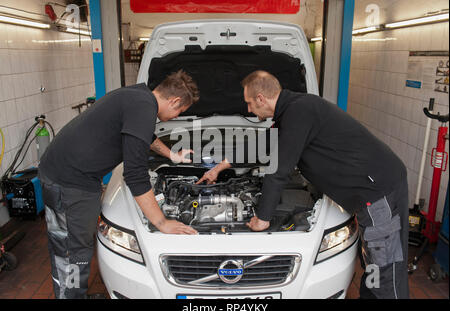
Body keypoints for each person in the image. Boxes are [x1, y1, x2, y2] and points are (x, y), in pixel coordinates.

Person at [197, 70, 409, 299]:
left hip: (377, 193)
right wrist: (220, 167)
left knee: (384, 268)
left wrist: (263, 218)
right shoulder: (293, 112)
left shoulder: (300, 111)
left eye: (249, 103)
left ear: (260, 98)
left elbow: (278, 170)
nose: (248, 109)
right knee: (372, 264)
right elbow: (263, 144)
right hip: (368, 194)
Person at [38, 70, 199, 299]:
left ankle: (76, 295)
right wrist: (161, 222)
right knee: (72, 250)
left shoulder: (139, 96)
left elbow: (146, 136)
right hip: (68, 182)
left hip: (72, 175)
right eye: (180, 111)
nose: (176, 116)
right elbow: (135, 174)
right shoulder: (143, 106)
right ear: (173, 100)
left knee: (78, 245)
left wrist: (172, 155)